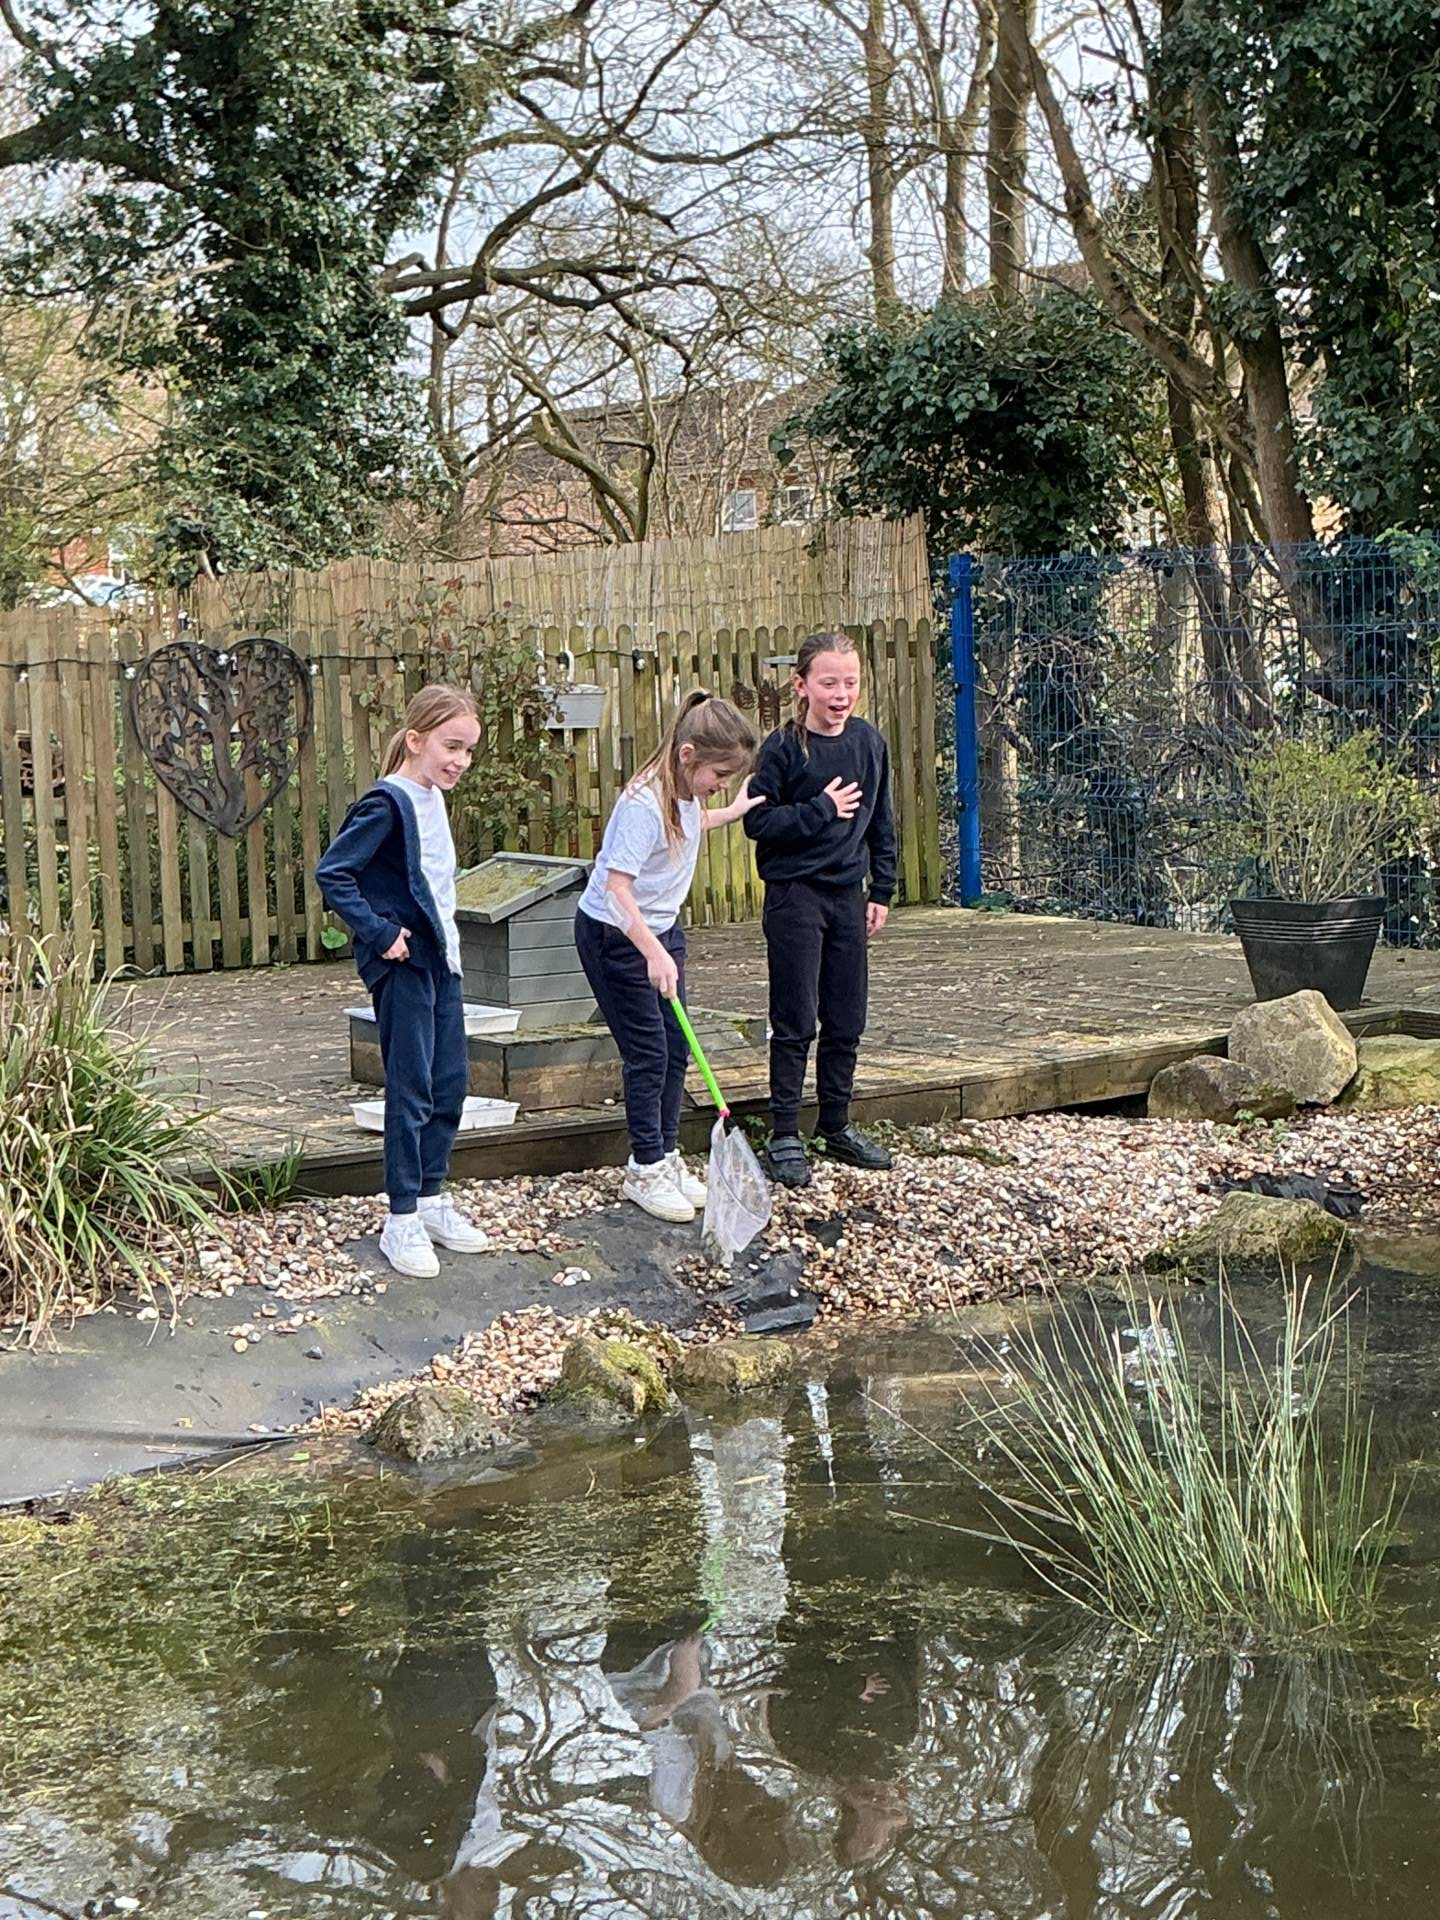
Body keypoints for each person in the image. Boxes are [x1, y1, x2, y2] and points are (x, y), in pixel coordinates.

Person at [315, 685, 491, 1279]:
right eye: (452, 746)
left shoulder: (431, 796)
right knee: (411, 1088)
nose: (461, 761)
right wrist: (379, 931)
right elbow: (334, 873)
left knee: (450, 1083)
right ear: (415, 740)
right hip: (404, 964)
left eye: (468, 750)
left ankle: (433, 1197)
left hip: (442, 962)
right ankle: (402, 1216)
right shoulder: (387, 804)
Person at [575, 691, 761, 1222]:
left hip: (660, 930)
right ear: (687, 755)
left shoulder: (685, 793)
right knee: (648, 1052)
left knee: (676, 1047)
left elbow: (688, 824)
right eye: (719, 774)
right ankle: (644, 1168)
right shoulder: (642, 803)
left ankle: (667, 1153)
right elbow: (616, 888)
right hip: (615, 936)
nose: (720, 783)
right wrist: (653, 952)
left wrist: (732, 811)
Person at [743, 628, 896, 1189]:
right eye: (829, 683)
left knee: (846, 1017)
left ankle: (835, 1124)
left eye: (850, 683)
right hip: (794, 897)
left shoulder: (868, 742)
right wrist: (820, 809)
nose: (841, 694)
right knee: (794, 1017)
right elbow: (757, 822)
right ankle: (785, 1132)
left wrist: (882, 889)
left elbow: (881, 819)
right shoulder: (783, 749)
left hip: (848, 897)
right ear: (801, 685)